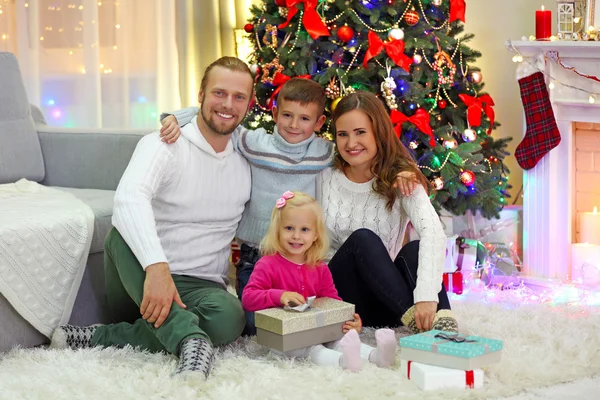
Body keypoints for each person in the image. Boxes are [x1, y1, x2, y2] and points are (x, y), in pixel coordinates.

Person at [50, 56, 255, 380]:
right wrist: (156, 268)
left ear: (249, 104)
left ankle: (105, 337)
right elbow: (130, 199)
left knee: (231, 316)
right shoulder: (163, 144)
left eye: (239, 97)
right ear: (200, 95)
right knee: (120, 236)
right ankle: (191, 341)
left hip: (200, 289)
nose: (228, 104)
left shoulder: (245, 161)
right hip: (141, 283)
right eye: (219, 93)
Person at [160, 79, 417, 335]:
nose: (294, 125)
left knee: (301, 322)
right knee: (254, 327)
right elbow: (221, 118)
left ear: (318, 123)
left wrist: (403, 170)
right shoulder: (254, 143)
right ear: (274, 114)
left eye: (305, 119)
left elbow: (368, 151)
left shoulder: (326, 153)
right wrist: (176, 117)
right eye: (287, 115)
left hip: (302, 258)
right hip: (257, 254)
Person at [317, 91, 458, 333]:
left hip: (385, 298)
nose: (351, 144)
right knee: (362, 238)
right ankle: (422, 325)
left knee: (414, 249)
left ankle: (442, 327)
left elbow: (433, 232)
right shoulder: (325, 176)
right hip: (341, 296)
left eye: (360, 132)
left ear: (378, 133)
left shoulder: (401, 179)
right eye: (342, 135)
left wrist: (426, 296)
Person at [242, 191, 397, 372]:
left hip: (317, 329)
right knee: (307, 348)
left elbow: (332, 300)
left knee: (340, 339)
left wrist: (348, 319)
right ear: (277, 230)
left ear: (316, 234)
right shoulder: (267, 264)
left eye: (304, 230)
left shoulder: (319, 267)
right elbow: (249, 297)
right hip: (285, 337)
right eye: (289, 228)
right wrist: (280, 295)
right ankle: (342, 361)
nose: (296, 236)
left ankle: (376, 355)